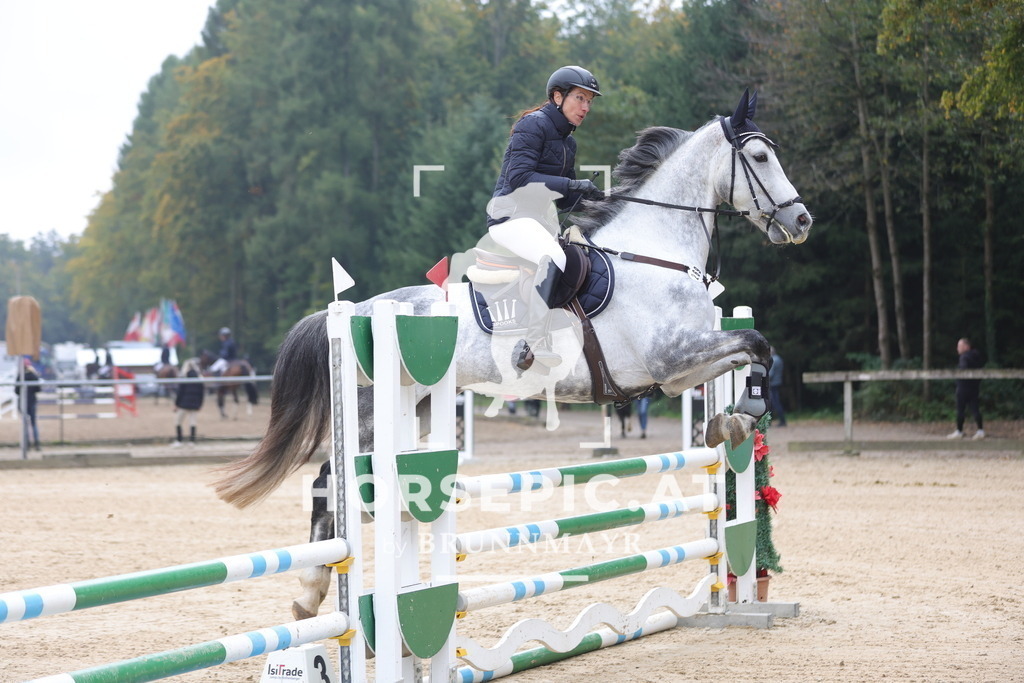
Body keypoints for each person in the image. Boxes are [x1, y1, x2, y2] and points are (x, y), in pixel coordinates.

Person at [486, 65, 605, 370]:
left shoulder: (568, 142)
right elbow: (520, 179)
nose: (585, 107)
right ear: (557, 96)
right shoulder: (533, 125)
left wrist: (594, 199)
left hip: (537, 223)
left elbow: (563, 198)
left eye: (589, 101)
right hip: (508, 217)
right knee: (553, 255)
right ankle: (533, 343)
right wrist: (572, 185)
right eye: (580, 98)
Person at [948, 337, 984, 439]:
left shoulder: (964, 357)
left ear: (966, 347)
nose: (957, 348)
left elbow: (963, 369)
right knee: (975, 409)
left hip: (963, 387)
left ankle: (959, 431)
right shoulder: (977, 356)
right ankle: (980, 430)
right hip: (974, 387)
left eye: (960, 346)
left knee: (960, 410)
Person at [172, 358, 204, 447]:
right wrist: (200, 404)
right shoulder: (199, 378)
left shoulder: (184, 377)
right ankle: (192, 441)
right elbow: (202, 394)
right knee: (193, 422)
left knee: (178, 421)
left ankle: (179, 440)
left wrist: (176, 404)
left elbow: (180, 393)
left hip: (184, 404)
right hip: (195, 404)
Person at [14, 358, 41, 450]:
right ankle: (37, 444)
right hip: (32, 401)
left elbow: (16, 391)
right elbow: (38, 389)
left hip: (23, 402)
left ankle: (27, 445)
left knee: (25, 424)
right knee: (33, 424)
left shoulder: (20, 376)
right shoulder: (34, 375)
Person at [768, 347, 787, 427]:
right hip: (777, 382)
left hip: (773, 384)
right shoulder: (779, 359)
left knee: (775, 403)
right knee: (773, 403)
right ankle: (770, 421)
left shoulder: (773, 360)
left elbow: (771, 374)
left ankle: (782, 421)